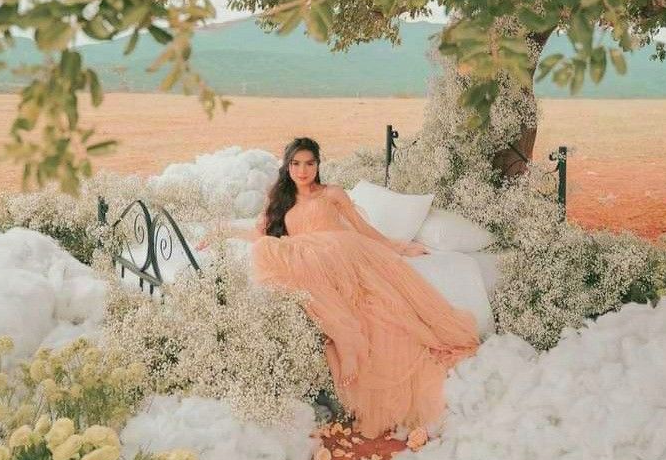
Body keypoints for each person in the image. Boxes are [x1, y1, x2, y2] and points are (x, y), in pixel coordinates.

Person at [196, 137, 481, 438]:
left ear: (318, 166)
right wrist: (223, 232)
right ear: (287, 166)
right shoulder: (280, 199)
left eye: (309, 163)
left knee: (302, 260)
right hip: (310, 258)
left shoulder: (332, 194)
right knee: (269, 249)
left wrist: (398, 246)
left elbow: (362, 229)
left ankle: (347, 340)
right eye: (296, 164)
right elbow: (259, 235)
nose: (302, 170)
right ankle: (346, 336)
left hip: (342, 254)